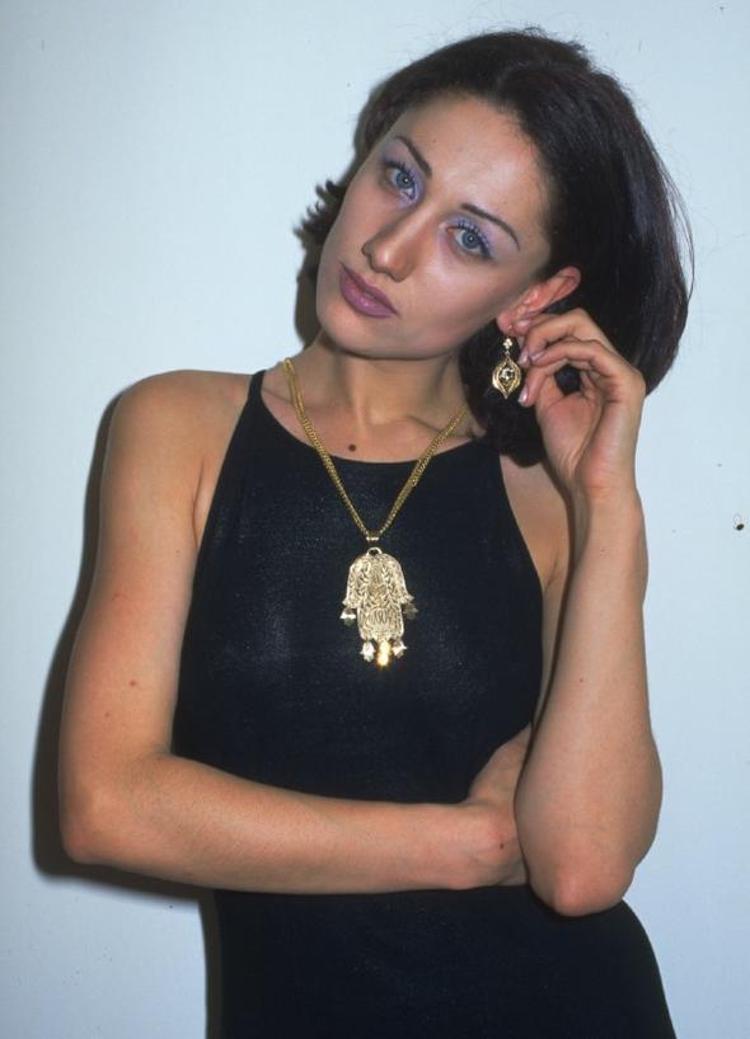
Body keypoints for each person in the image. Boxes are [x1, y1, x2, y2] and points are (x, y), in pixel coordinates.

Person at [58, 27, 690, 1038]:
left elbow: (582, 867)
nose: (389, 249)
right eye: (401, 177)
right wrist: (470, 844)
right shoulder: (176, 430)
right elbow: (105, 804)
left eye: (469, 238)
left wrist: (608, 502)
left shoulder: (553, 496)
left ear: (536, 296)